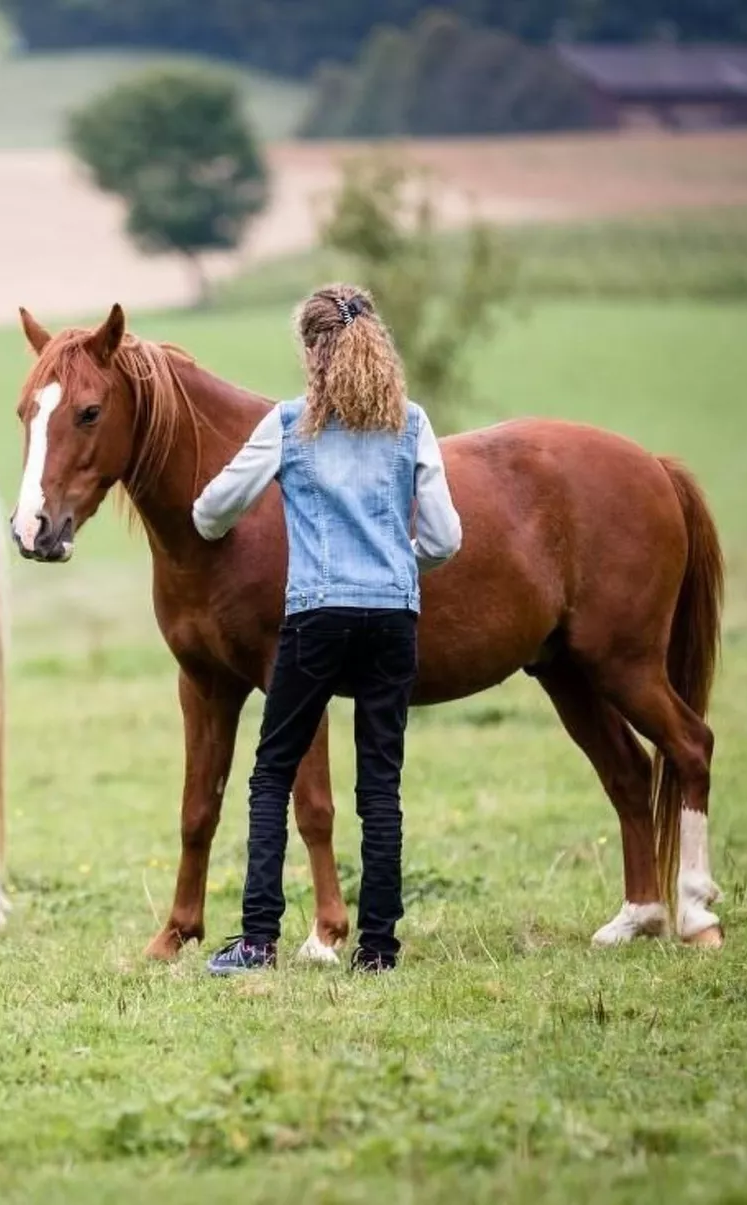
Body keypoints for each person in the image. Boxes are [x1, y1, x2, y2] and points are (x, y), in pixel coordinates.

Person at [190, 284, 462, 975]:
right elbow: (445, 537)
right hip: (392, 617)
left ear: (313, 350)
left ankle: (256, 940)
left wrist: (218, 522)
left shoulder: (287, 426)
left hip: (315, 616)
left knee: (271, 772)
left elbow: (213, 510)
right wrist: (398, 561)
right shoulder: (413, 423)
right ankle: (378, 948)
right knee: (380, 786)